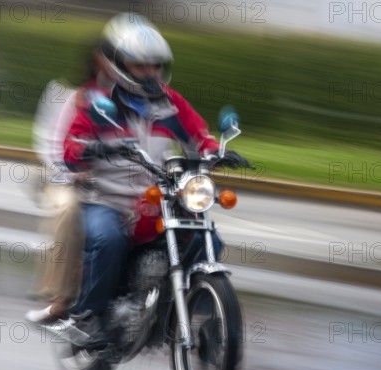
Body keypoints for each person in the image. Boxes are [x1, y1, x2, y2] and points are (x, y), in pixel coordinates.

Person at [62, 13, 250, 336]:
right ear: (118, 63)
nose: (150, 72)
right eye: (140, 65)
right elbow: (71, 148)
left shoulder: (170, 103)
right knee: (108, 239)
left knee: (209, 239)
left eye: (155, 65)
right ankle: (87, 317)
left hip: (160, 198)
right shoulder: (97, 103)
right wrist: (95, 149)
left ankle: (197, 315)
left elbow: (198, 135)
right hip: (108, 200)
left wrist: (215, 151)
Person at [25, 46, 116, 324]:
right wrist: (73, 173)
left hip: (110, 183)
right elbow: (52, 146)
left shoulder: (134, 101)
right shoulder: (72, 97)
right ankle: (58, 297)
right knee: (69, 208)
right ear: (97, 61)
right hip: (64, 178)